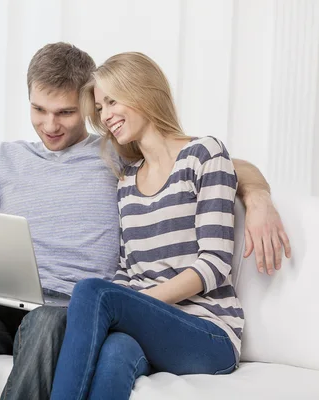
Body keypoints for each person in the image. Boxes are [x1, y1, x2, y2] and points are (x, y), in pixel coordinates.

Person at [0, 43, 290, 400]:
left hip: (68, 312)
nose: (50, 125)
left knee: (50, 322)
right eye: (38, 110)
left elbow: (213, 162)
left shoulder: (114, 157)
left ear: (85, 107)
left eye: (65, 112)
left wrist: (258, 197)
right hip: (7, 304)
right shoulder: (7, 160)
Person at [50, 52, 247, 399]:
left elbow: (215, 264)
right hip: (152, 328)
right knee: (115, 352)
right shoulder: (126, 181)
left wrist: (136, 306)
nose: (105, 115)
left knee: (91, 291)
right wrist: (132, 306)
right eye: (99, 108)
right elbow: (128, 270)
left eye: (112, 101)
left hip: (209, 333)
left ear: (142, 90)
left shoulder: (204, 154)